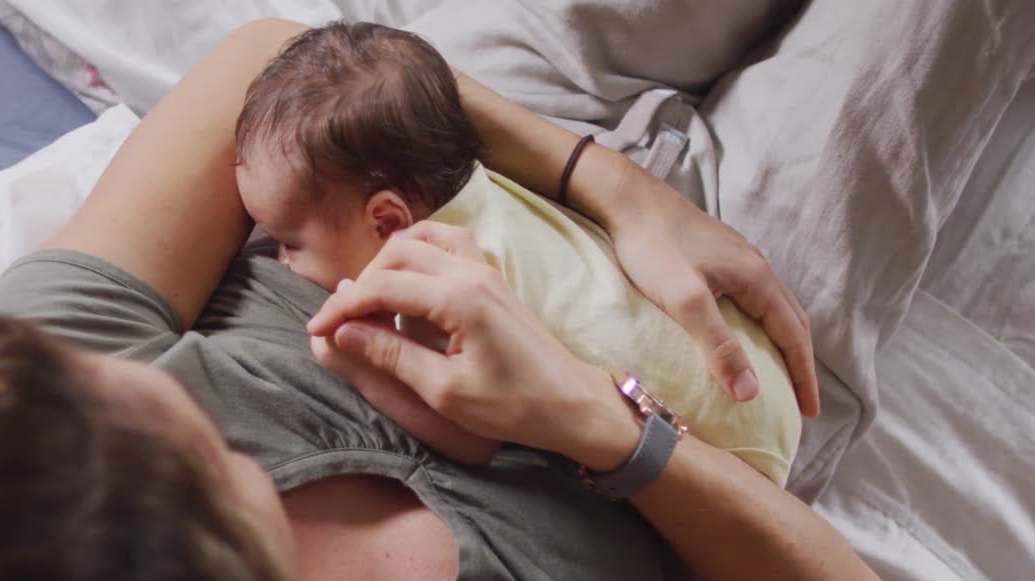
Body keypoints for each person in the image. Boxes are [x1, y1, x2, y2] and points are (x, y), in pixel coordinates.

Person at [0, 17, 897, 581]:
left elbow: (270, 64)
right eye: (179, 438)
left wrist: (609, 185)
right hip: (718, 404)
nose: (126, 383)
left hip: (445, 155)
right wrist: (597, 423)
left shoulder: (23, 415)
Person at [234, 22, 799, 481]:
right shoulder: (485, 180)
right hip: (755, 365)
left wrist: (359, 368)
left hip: (725, 455)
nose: (282, 261)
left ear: (386, 221)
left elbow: (472, 436)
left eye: (290, 243)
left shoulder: (430, 285)